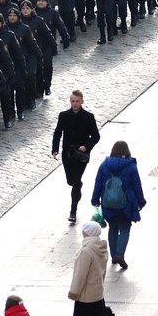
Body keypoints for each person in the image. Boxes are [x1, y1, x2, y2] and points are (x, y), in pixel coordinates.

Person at [90, 140, 145, 270]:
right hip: (126, 204)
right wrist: (141, 201)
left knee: (113, 228)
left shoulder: (104, 165)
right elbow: (137, 185)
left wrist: (95, 200)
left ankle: (114, 255)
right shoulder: (131, 167)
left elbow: (98, 183)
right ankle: (120, 253)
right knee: (125, 227)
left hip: (108, 203)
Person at [51, 90, 101, 223]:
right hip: (67, 154)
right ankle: (77, 185)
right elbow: (57, 133)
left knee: (76, 181)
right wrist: (55, 149)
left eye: (77, 101)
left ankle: (73, 210)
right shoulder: (64, 115)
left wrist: (86, 146)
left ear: (82, 102)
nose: (75, 104)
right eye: (73, 101)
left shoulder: (88, 117)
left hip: (81, 155)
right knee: (71, 181)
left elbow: (96, 136)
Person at [67, 221, 107, 316]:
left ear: (87, 233)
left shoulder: (86, 251)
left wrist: (74, 292)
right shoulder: (101, 248)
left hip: (85, 294)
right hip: (97, 292)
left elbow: (80, 274)